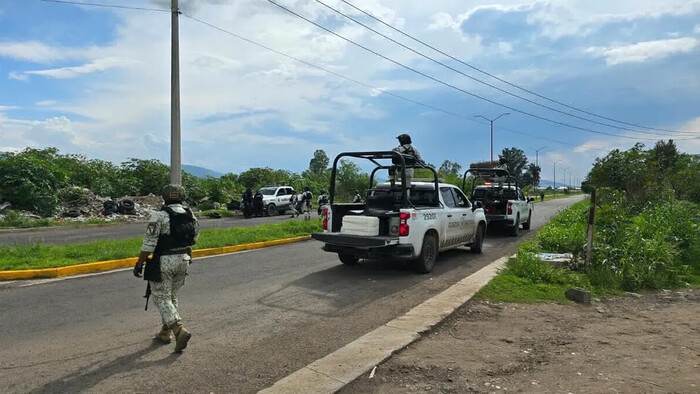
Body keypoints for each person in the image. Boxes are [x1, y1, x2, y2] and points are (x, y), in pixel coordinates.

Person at [133, 184, 199, 353]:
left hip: (163, 261)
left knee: (161, 297)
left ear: (164, 197)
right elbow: (195, 238)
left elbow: (149, 244)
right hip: (184, 259)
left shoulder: (159, 216)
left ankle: (178, 329)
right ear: (182, 197)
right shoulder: (190, 214)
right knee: (171, 296)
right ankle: (165, 332)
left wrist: (139, 263)